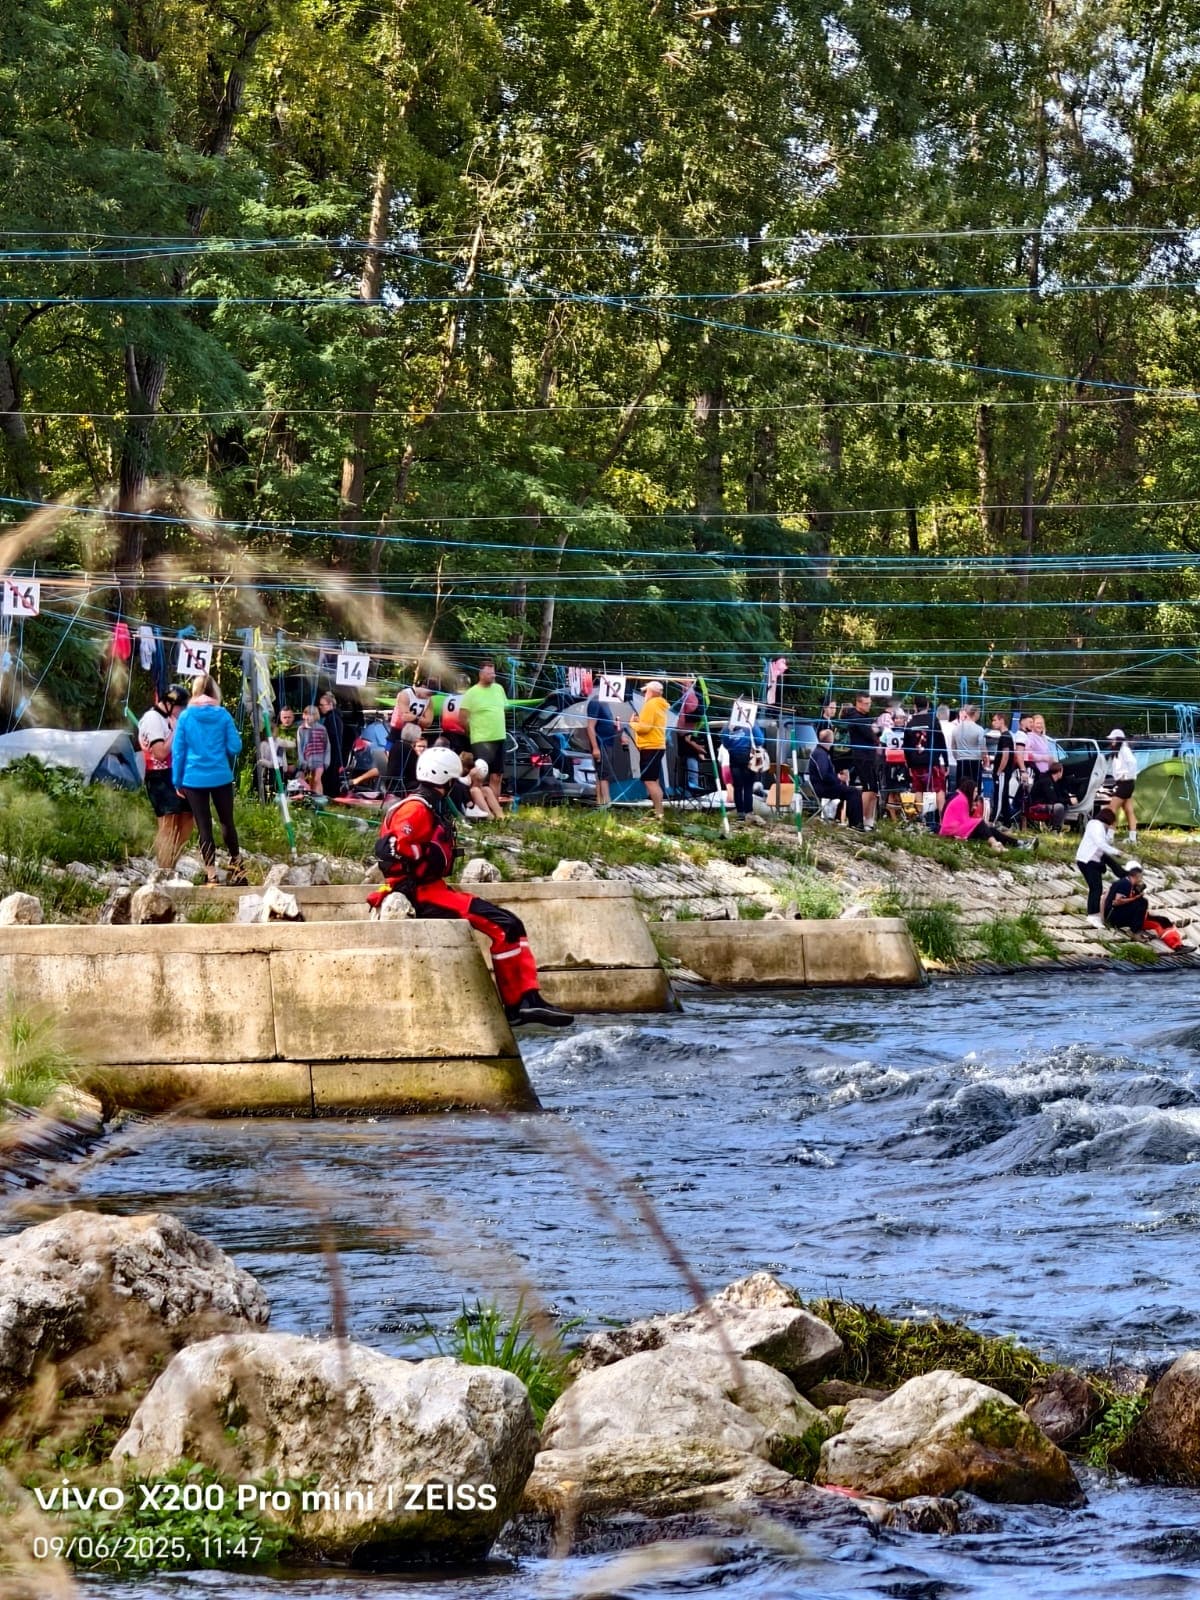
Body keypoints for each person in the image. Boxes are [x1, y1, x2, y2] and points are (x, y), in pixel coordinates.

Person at [368, 747, 573, 1026]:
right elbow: (394, 848)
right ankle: (520, 1004)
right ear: (446, 780)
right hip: (419, 891)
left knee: (510, 923)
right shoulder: (415, 809)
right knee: (505, 925)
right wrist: (416, 867)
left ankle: (527, 1000)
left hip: (432, 887)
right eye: (454, 780)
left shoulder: (423, 804)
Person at [171, 674, 246, 886]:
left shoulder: (185, 717)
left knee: (204, 827)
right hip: (220, 776)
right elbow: (235, 747)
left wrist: (177, 781)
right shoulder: (222, 715)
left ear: (194, 692)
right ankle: (237, 866)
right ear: (214, 692)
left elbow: (178, 752)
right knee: (227, 822)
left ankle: (212, 875)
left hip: (193, 779)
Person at [138, 684, 194, 868]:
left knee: (187, 817)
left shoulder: (170, 718)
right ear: (170, 704)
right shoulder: (152, 719)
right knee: (168, 822)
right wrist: (177, 731)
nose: (182, 711)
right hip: (158, 774)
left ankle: (172, 862)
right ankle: (163, 868)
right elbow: (160, 752)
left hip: (175, 773)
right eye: (181, 707)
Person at [1103, 861, 1182, 947]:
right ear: (1137, 875)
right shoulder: (1125, 884)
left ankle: (1177, 944)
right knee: (1142, 902)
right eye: (1141, 876)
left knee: (1162, 920)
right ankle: (1133, 931)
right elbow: (1117, 901)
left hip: (1115, 914)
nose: (1141, 879)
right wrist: (1135, 898)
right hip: (1114, 917)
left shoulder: (1127, 884)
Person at [459, 661, 508, 799]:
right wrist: (471, 731)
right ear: (480, 674)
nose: (492, 676)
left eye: (493, 673)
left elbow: (502, 708)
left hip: (499, 737)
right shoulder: (471, 693)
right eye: (489, 673)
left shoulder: (499, 688)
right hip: (481, 739)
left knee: (497, 775)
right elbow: (462, 718)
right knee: (480, 774)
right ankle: (477, 805)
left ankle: (494, 806)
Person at [939, 779, 1028, 851]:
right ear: (970, 791)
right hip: (951, 830)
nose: (976, 794)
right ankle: (995, 844)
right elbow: (964, 821)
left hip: (955, 828)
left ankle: (1018, 843)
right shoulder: (962, 800)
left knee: (990, 830)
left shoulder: (962, 798)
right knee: (980, 823)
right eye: (975, 791)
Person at [1075, 805, 1124, 925]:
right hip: (1088, 860)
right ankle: (1092, 916)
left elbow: (1107, 841)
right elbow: (1101, 843)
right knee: (1096, 888)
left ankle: (1124, 874)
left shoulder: (1100, 827)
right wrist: (1116, 852)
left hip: (1092, 859)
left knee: (1108, 865)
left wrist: (1112, 830)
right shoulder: (1096, 825)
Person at [807, 728, 864, 828]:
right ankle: (856, 824)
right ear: (831, 740)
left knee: (849, 791)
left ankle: (842, 819)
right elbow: (824, 775)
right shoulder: (821, 754)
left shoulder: (820, 752)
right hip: (823, 788)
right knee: (853, 792)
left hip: (822, 786)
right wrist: (838, 779)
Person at [722, 698, 766, 824]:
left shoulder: (729, 725)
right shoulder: (751, 723)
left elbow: (725, 743)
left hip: (734, 758)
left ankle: (740, 812)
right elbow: (760, 741)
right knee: (748, 786)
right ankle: (748, 811)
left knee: (737, 786)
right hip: (748, 758)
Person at [630, 679, 669, 820]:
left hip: (650, 747)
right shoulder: (660, 705)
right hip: (657, 746)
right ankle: (657, 811)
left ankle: (659, 814)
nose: (645, 693)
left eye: (646, 691)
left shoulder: (651, 705)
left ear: (651, 692)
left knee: (649, 781)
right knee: (654, 779)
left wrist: (633, 724)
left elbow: (644, 728)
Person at [904, 694, 948, 818]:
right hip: (931, 761)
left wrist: (909, 764)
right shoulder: (933, 720)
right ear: (928, 705)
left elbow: (905, 746)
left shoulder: (910, 722)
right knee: (939, 789)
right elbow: (941, 741)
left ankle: (920, 818)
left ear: (914, 706)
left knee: (919, 790)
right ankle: (942, 818)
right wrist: (946, 761)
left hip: (916, 761)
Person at [843, 691, 880, 828]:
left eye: (869, 703)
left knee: (873, 789)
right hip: (862, 756)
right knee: (868, 787)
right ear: (858, 703)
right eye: (866, 703)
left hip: (870, 756)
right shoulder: (855, 717)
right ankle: (860, 819)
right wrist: (876, 731)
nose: (868, 706)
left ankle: (869, 819)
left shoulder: (864, 717)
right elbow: (869, 734)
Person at [586, 687, 622, 807]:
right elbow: (590, 726)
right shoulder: (596, 702)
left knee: (601, 773)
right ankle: (607, 802)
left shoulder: (607, 705)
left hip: (608, 743)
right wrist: (595, 747)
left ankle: (600, 802)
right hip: (600, 743)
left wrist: (616, 727)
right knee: (604, 773)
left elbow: (607, 725)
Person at [1108, 728, 1138, 844]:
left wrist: (1126, 776)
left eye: (1113, 739)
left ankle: (1109, 835)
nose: (1111, 741)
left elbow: (1133, 763)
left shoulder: (1124, 750)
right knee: (1128, 810)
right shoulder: (1118, 751)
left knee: (1112, 809)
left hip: (1125, 783)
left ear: (1119, 739)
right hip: (1124, 783)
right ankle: (1132, 838)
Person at [1027, 761, 1077, 832]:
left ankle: (1058, 827)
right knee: (1059, 807)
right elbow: (1053, 800)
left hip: (1044, 805)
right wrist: (1069, 800)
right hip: (1037, 806)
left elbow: (1057, 797)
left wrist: (1068, 799)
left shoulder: (1054, 782)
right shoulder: (1047, 781)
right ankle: (1055, 829)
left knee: (1065, 805)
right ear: (1059, 771)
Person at [951, 704, 988, 794]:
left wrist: (957, 757)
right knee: (974, 787)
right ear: (975, 713)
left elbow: (953, 747)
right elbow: (983, 747)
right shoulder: (979, 729)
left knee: (961, 787)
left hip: (961, 761)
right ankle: (973, 805)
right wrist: (984, 758)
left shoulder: (956, 729)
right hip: (975, 761)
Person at [989, 712, 1016, 825]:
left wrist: (999, 771)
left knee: (998, 796)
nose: (993, 722)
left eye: (995, 720)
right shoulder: (1005, 736)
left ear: (1002, 720)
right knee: (1004, 797)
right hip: (1003, 771)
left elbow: (1006, 756)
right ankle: (1007, 822)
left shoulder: (1005, 736)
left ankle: (993, 821)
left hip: (1002, 773)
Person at [318, 691, 347, 796]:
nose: (320, 707)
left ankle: (330, 795)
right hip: (335, 751)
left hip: (332, 752)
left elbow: (330, 737)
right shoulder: (335, 717)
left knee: (330, 776)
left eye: (322, 705)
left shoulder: (332, 718)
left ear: (330, 705)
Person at [297, 705, 330, 795]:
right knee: (311, 781)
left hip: (320, 760)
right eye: (306, 714)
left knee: (317, 779)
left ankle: (320, 798)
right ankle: (313, 799)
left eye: (311, 714)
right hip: (308, 761)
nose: (308, 717)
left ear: (315, 716)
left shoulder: (322, 729)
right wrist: (302, 760)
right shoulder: (301, 729)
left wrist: (326, 760)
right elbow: (299, 747)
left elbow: (327, 746)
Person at [460, 751, 503, 818]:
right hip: (465, 801)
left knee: (486, 789)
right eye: (478, 781)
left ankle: (501, 816)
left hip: (470, 797)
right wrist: (469, 776)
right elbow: (461, 786)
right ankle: (489, 817)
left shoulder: (472, 773)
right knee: (475, 790)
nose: (480, 783)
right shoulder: (463, 776)